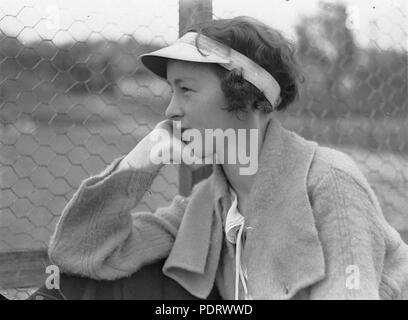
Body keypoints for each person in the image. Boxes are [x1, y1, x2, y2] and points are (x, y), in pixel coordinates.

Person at [31, 16, 408, 300]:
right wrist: (137, 164)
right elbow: (77, 254)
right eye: (171, 91)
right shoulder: (210, 203)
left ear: (246, 97)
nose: (170, 111)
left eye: (186, 90)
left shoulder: (328, 184)